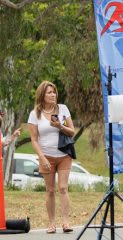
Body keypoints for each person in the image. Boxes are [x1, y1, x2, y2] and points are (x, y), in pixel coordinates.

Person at [26, 81, 77, 233]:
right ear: (42, 95)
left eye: (54, 92)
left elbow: (72, 131)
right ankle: (52, 223)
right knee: (49, 190)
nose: (53, 94)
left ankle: (66, 223)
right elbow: (34, 139)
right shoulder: (35, 114)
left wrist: (60, 126)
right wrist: (42, 158)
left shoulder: (63, 109)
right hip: (46, 156)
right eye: (49, 92)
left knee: (62, 188)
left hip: (63, 155)